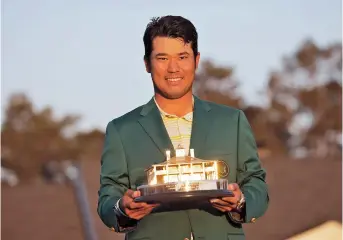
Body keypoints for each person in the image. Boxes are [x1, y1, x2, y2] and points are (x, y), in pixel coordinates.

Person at [97, 15, 269, 240]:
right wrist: (122, 209)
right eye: (162, 58)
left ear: (196, 60)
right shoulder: (121, 130)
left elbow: (256, 182)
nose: (173, 68)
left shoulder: (232, 121)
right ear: (147, 63)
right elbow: (108, 196)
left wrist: (241, 201)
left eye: (182, 56)